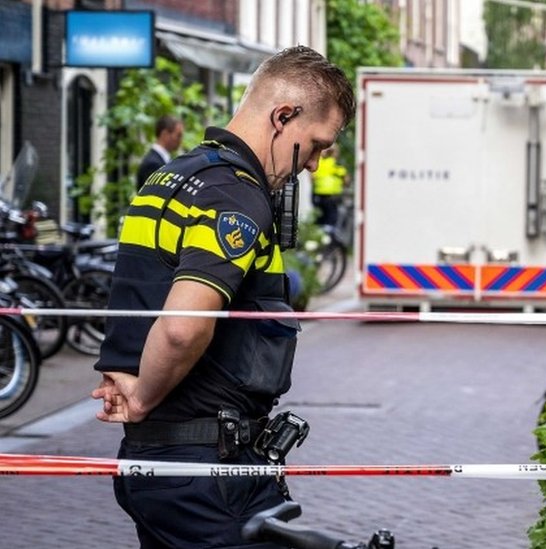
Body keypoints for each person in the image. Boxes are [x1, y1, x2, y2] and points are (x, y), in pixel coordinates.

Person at [91, 46, 356, 548]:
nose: (316, 165)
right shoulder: (235, 195)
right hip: (207, 472)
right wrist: (144, 397)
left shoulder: (173, 178)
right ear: (283, 116)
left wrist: (133, 382)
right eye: (316, 144)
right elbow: (182, 326)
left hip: (161, 465)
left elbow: (141, 295)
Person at [136, 115, 184, 189]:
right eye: (178, 135)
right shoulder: (152, 164)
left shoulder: (161, 160)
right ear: (165, 134)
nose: (180, 140)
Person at [311, 147, 346, 226]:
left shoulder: (318, 162)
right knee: (331, 218)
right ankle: (328, 233)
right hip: (332, 196)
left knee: (321, 218)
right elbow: (345, 178)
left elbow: (312, 178)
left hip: (319, 194)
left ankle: (322, 234)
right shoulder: (335, 163)